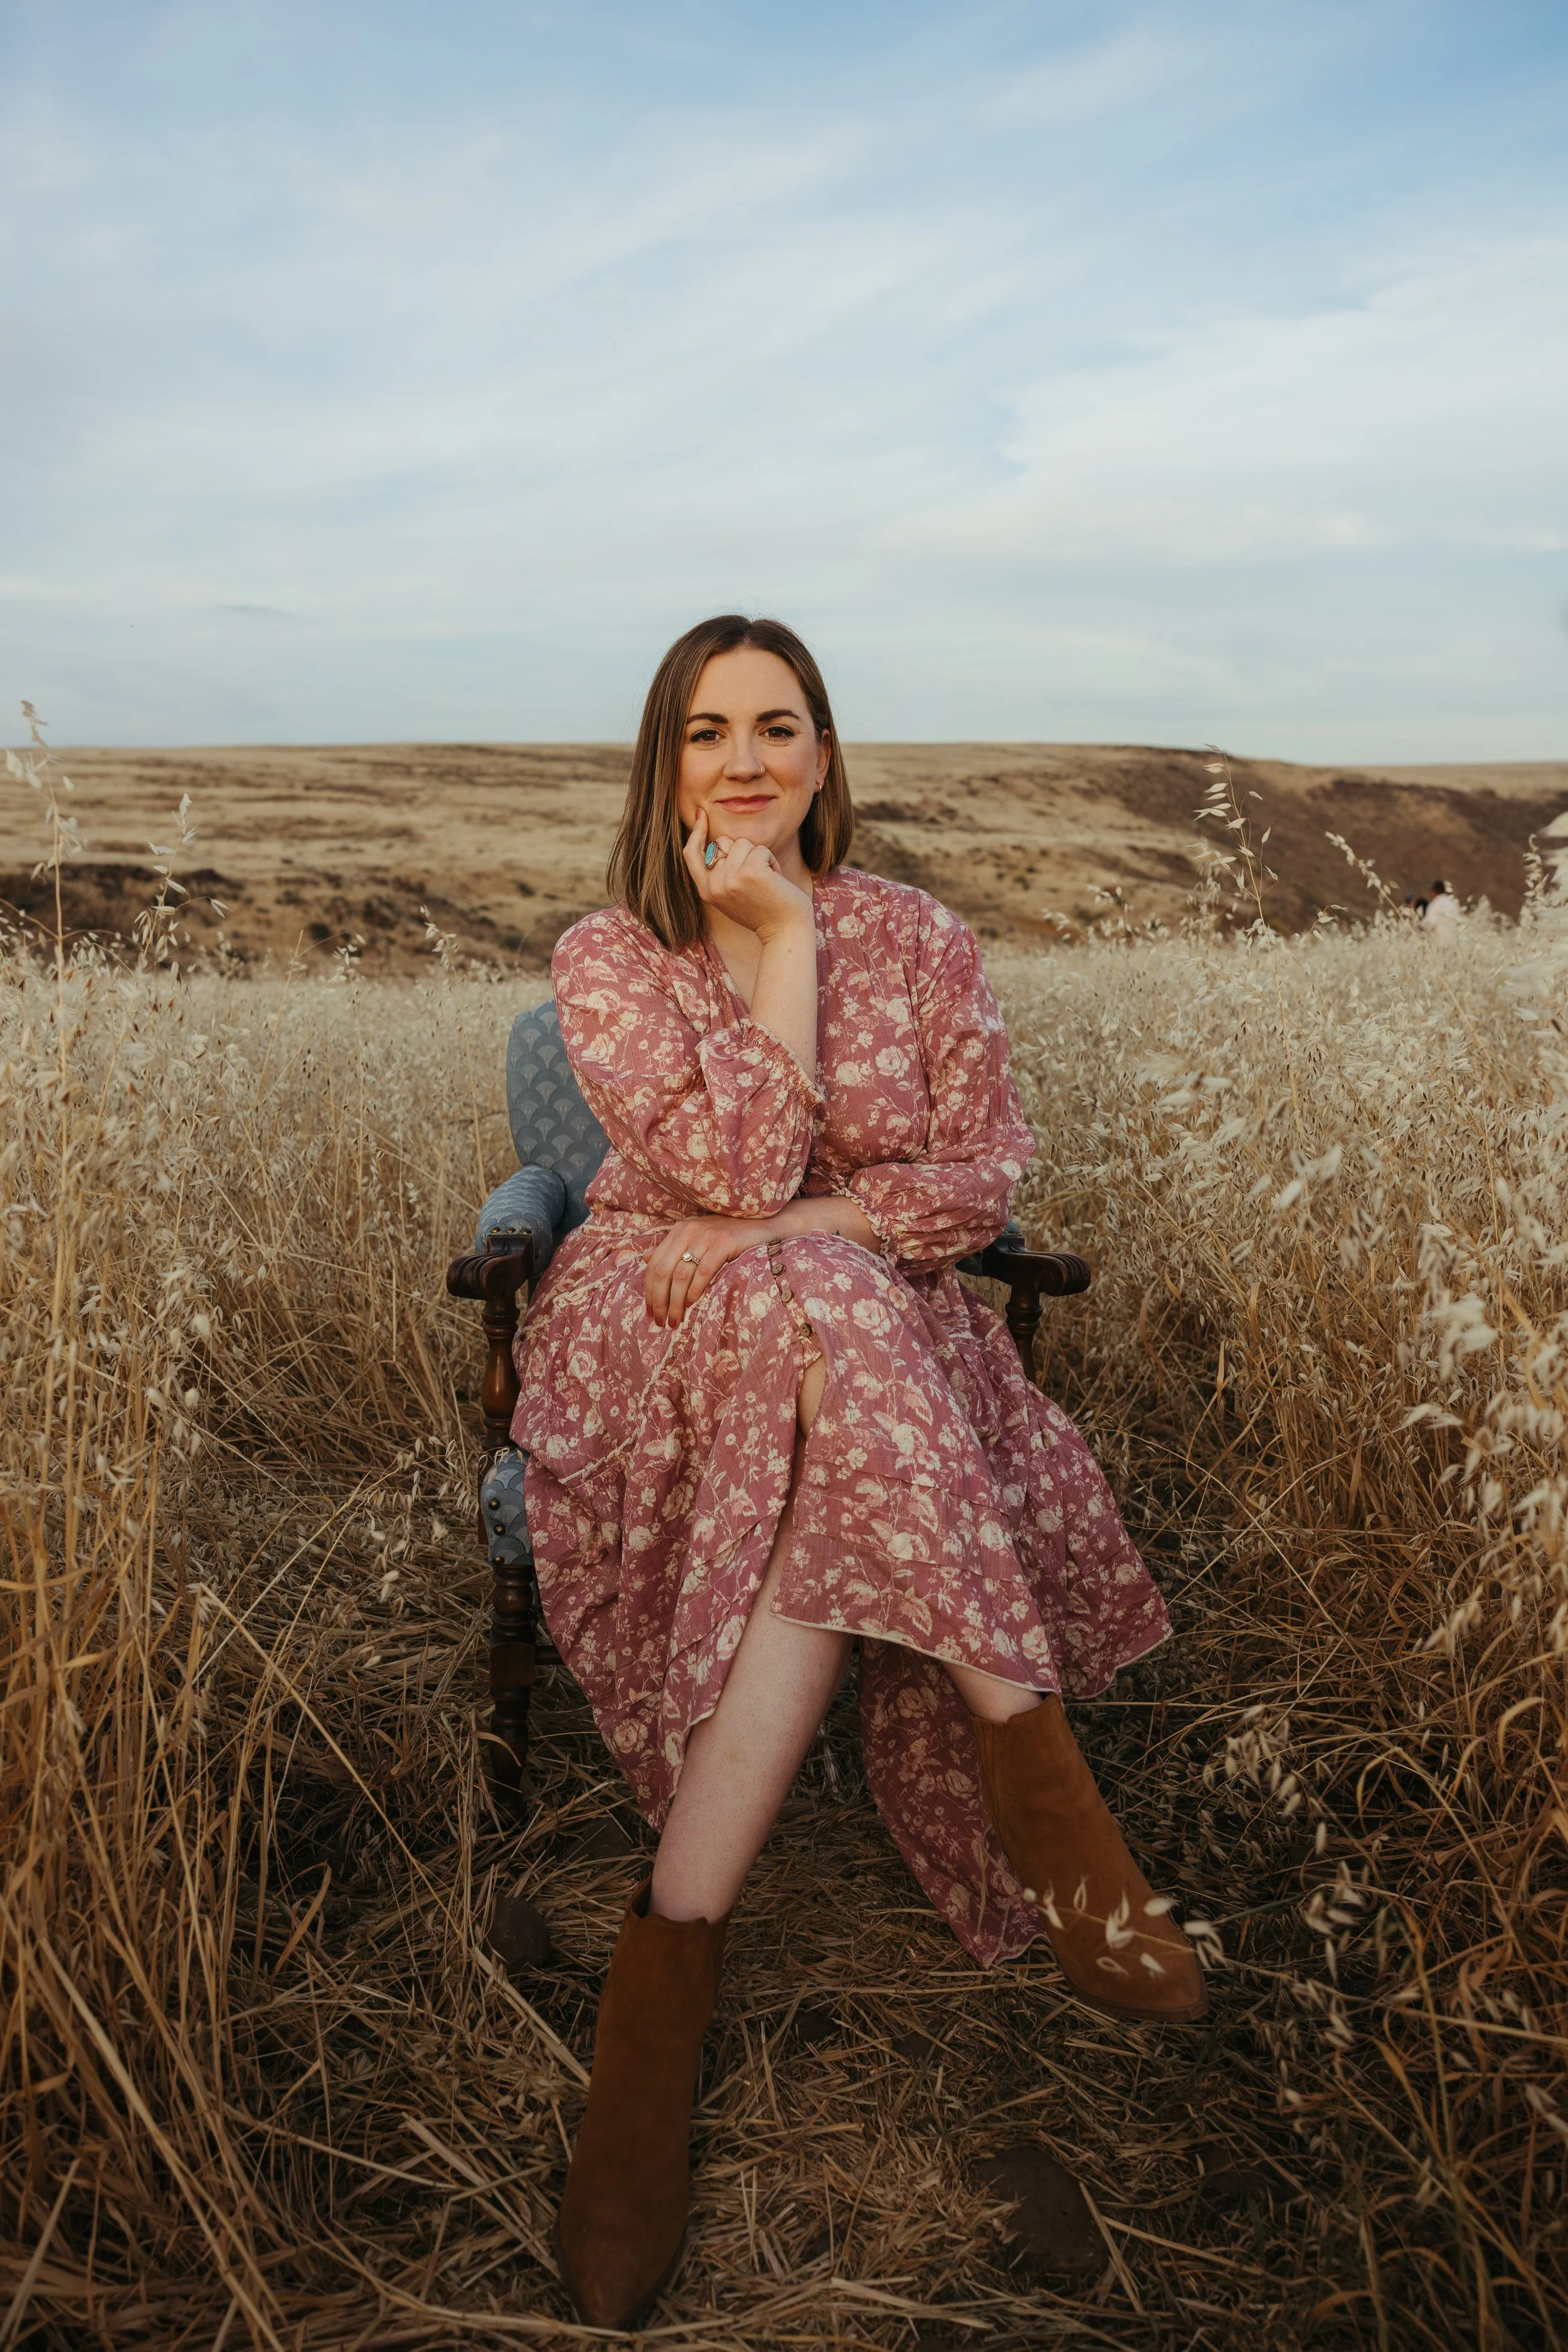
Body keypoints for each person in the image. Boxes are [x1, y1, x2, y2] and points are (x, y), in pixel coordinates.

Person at [511, 614, 1204, 2331]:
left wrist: (831, 1215)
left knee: (828, 1306)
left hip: (870, 1334)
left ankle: (661, 1975)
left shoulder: (932, 937)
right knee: (811, 1285)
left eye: (777, 724)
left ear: (824, 751)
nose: (742, 758)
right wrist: (780, 941)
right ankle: (1031, 1757)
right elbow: (734, 1172)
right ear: (662, 765)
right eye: (704, 730)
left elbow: (983, 1178)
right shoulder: (608, 953)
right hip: (659, 1330)